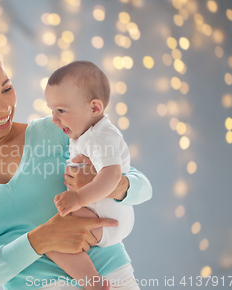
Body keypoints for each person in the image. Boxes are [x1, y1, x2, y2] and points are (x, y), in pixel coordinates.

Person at [0, 45, 152, 290]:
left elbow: (143, 188)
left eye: (7, 88)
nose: (3, 106)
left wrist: (105, 184)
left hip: (111, 278)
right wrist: (40, 239)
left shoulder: (58, 130)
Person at [44, 61, 135, 290]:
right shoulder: (86, 133)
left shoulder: (100, 137)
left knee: (52, 239)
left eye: (61, 111)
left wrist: (78, 198)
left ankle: (94, 284)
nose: (54, 119)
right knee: (51, 235)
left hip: (107, 216)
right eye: (52, 111)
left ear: (94, 108)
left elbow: (112, 176)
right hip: (105, 212)